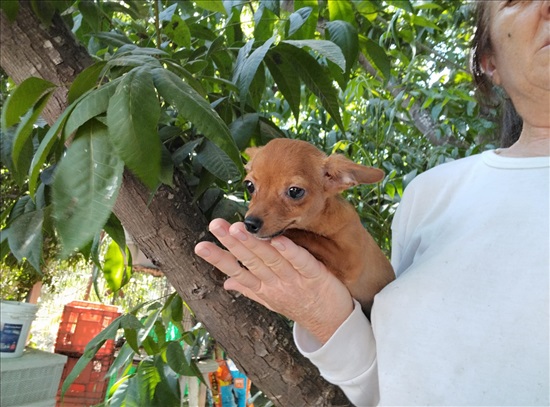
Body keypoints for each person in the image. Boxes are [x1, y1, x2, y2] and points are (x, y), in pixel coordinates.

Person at [195, 1, 550, 405]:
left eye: (292, 193)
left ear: (336, 181)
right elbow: (394, 376)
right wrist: (322, 316)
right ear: (488, 62)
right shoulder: (429, 195)